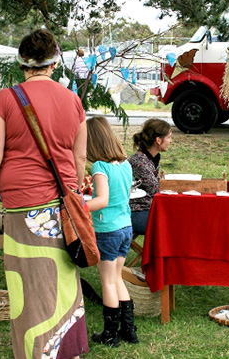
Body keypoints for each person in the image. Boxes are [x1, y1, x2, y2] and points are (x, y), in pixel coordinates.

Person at [0, 29, 88, 359]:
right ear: (54, 62)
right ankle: (66, 351)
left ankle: (37, 352)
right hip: (62, 208)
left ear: (22, 62)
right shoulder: (73, 100)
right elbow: (79, 158)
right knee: (63, 281)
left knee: (30, 286)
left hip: (24, 207)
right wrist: (74, 193)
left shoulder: (7, 100)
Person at [85, 116, 137, 348]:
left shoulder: (100, 166)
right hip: (126, 227)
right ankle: (128, 331)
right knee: (117, 277)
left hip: (107, 230)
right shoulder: (125, 164)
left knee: (107, 280)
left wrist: (79, 207)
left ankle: (110, 334)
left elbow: (102, 200)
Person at [128, 118, 172, 235]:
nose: (171, 141)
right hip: (135, 211)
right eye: (169, 137)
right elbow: (156, 189)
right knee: (174, 222)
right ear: (158, 140)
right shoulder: (139, 161)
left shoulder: (152, 158)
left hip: (149, 208)